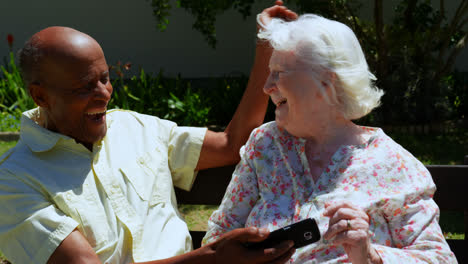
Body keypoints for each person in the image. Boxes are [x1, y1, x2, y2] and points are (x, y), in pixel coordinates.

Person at [0, 2, 299, 264]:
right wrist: (213, 258)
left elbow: (232, 144)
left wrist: (265, 49)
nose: (103, 94)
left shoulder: (137, 128)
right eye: (84, 87)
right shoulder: (14, 180)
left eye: (105, 78)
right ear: (40, 96)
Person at [202, 14, 458, 263]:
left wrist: (370, 256)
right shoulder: (265, 144)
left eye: (279, 72)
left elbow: (439, 258)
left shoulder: (392, 163)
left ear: (326, 81)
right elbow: (220, 234)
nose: (267, 86)